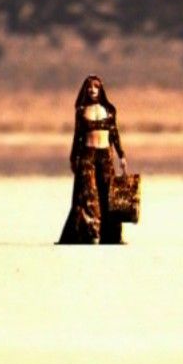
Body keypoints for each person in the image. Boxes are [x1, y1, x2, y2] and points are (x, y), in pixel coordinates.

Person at [56, 75, 127, 244]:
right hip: (87, 156)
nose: (92, 90)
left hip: (105, 156)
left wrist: (121, 155)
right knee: (88, 195)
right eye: (89, 87)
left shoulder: (109, 110)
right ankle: (89, 234)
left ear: (101, 90)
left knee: (108, 194)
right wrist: (73, 158)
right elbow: (77, 136)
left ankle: (111, 235)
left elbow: (114, 134)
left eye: (96, 86)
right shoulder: (81, 111)